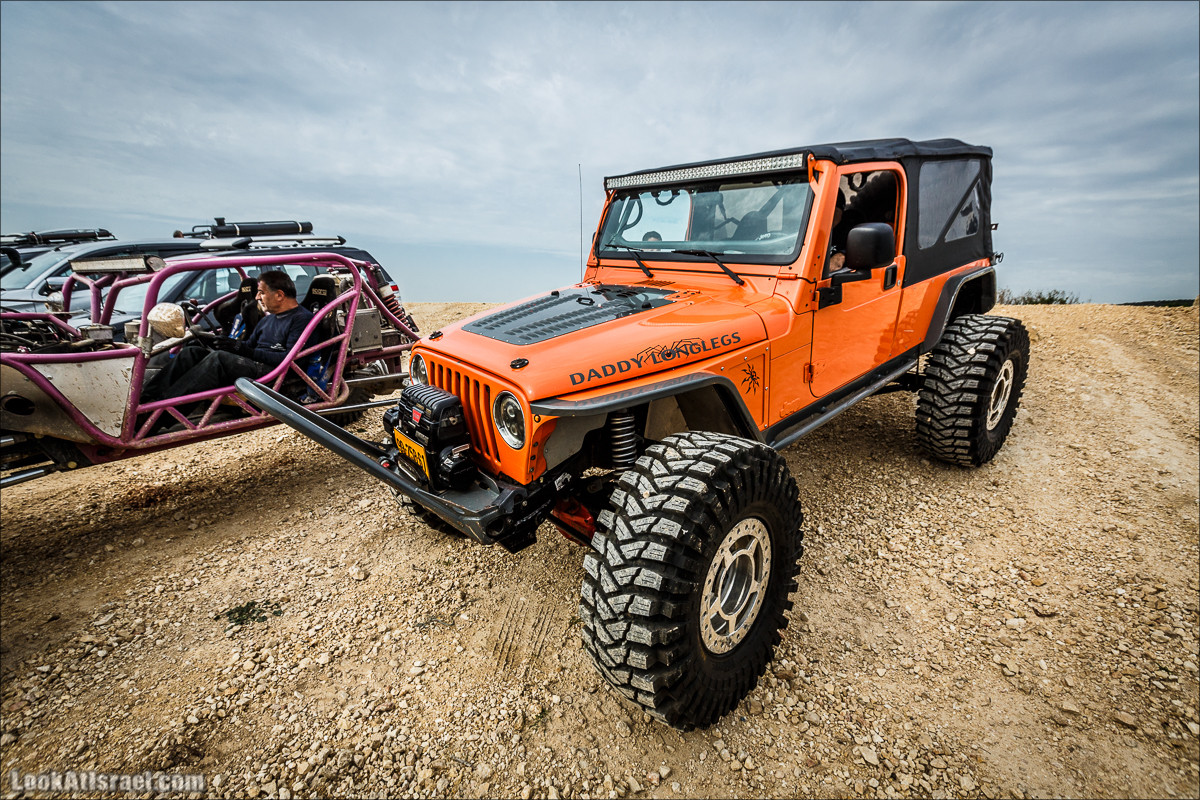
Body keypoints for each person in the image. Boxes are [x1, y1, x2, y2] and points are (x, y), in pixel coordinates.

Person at [142, 270, 313, 403]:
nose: (257, 297)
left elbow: (292, 360)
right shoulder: (268, 320)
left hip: (276, 374)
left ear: (279, 295)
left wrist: (240, 348)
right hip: (258, 365)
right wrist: (224, 343)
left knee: (219, 359)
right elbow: (249, 346)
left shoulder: (301, 319)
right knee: (192, 351)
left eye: (261, 292)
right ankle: (144, 401)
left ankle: (161, 412)